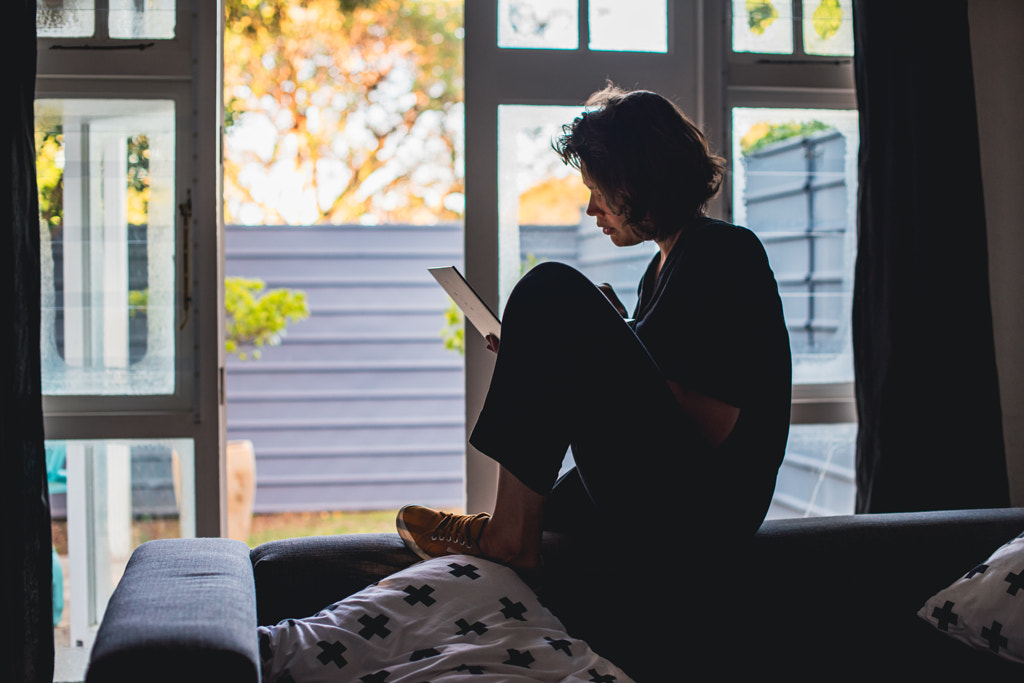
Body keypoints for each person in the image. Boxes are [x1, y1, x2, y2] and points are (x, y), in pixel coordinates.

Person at [396, 84, 792, 579]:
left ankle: (507, 537)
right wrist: (579, 350)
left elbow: (709, 426)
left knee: (549, 288)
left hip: (704, 513)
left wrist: (591, 355)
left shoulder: (724, 254)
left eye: (598, 191)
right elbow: (660, 382)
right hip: (675, 494)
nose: (591, 209)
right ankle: (509, 528)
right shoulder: (661, 271)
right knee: (555, 495)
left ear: (640, 181)